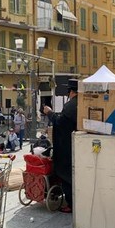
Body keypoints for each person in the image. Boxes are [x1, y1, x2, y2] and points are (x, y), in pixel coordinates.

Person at [43, 79, 78, 213]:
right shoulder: (82, 103)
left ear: (71, 92)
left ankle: (71, 204)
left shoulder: (70, 106)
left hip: (67, 147)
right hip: (77, 145)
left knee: (66, 175)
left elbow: (60, 122)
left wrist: (50, 113)